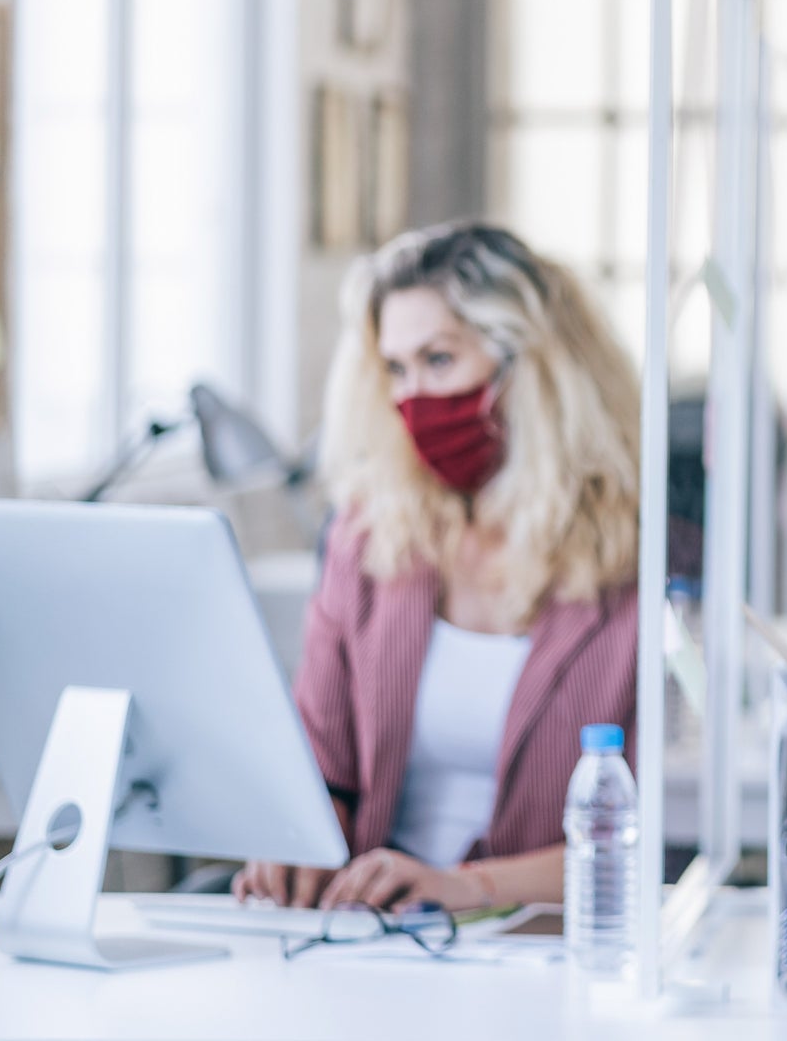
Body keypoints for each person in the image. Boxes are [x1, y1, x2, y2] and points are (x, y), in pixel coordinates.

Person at [235, 222, 663, 913]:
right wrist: (296, 850)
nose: (415, 398)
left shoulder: (633, 563)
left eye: (439, 360)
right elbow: (323, 771)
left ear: (531, 369)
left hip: (546, 949)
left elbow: (646, 844)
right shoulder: (368, 542)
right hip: (378, 942)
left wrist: (467, 889)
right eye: (397, 370)